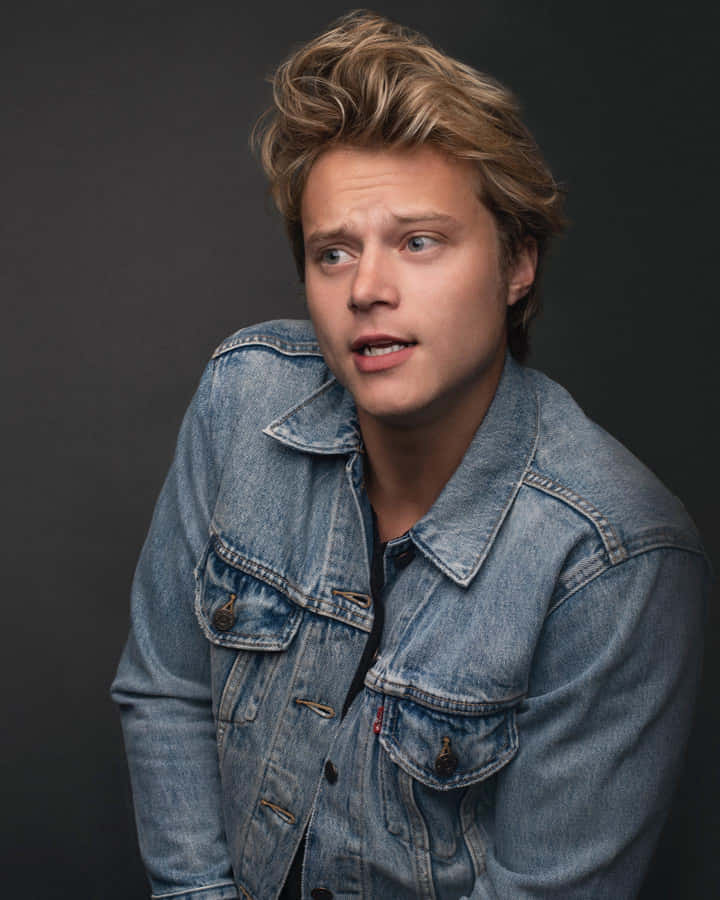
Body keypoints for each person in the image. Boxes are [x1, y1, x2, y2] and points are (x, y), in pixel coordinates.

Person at [111, 11, 709, 900]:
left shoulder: (613, 556)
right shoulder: (244, 397)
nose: (368, 289)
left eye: (420, 242)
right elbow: (165, 692)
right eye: (334, 252)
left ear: (518, 264)